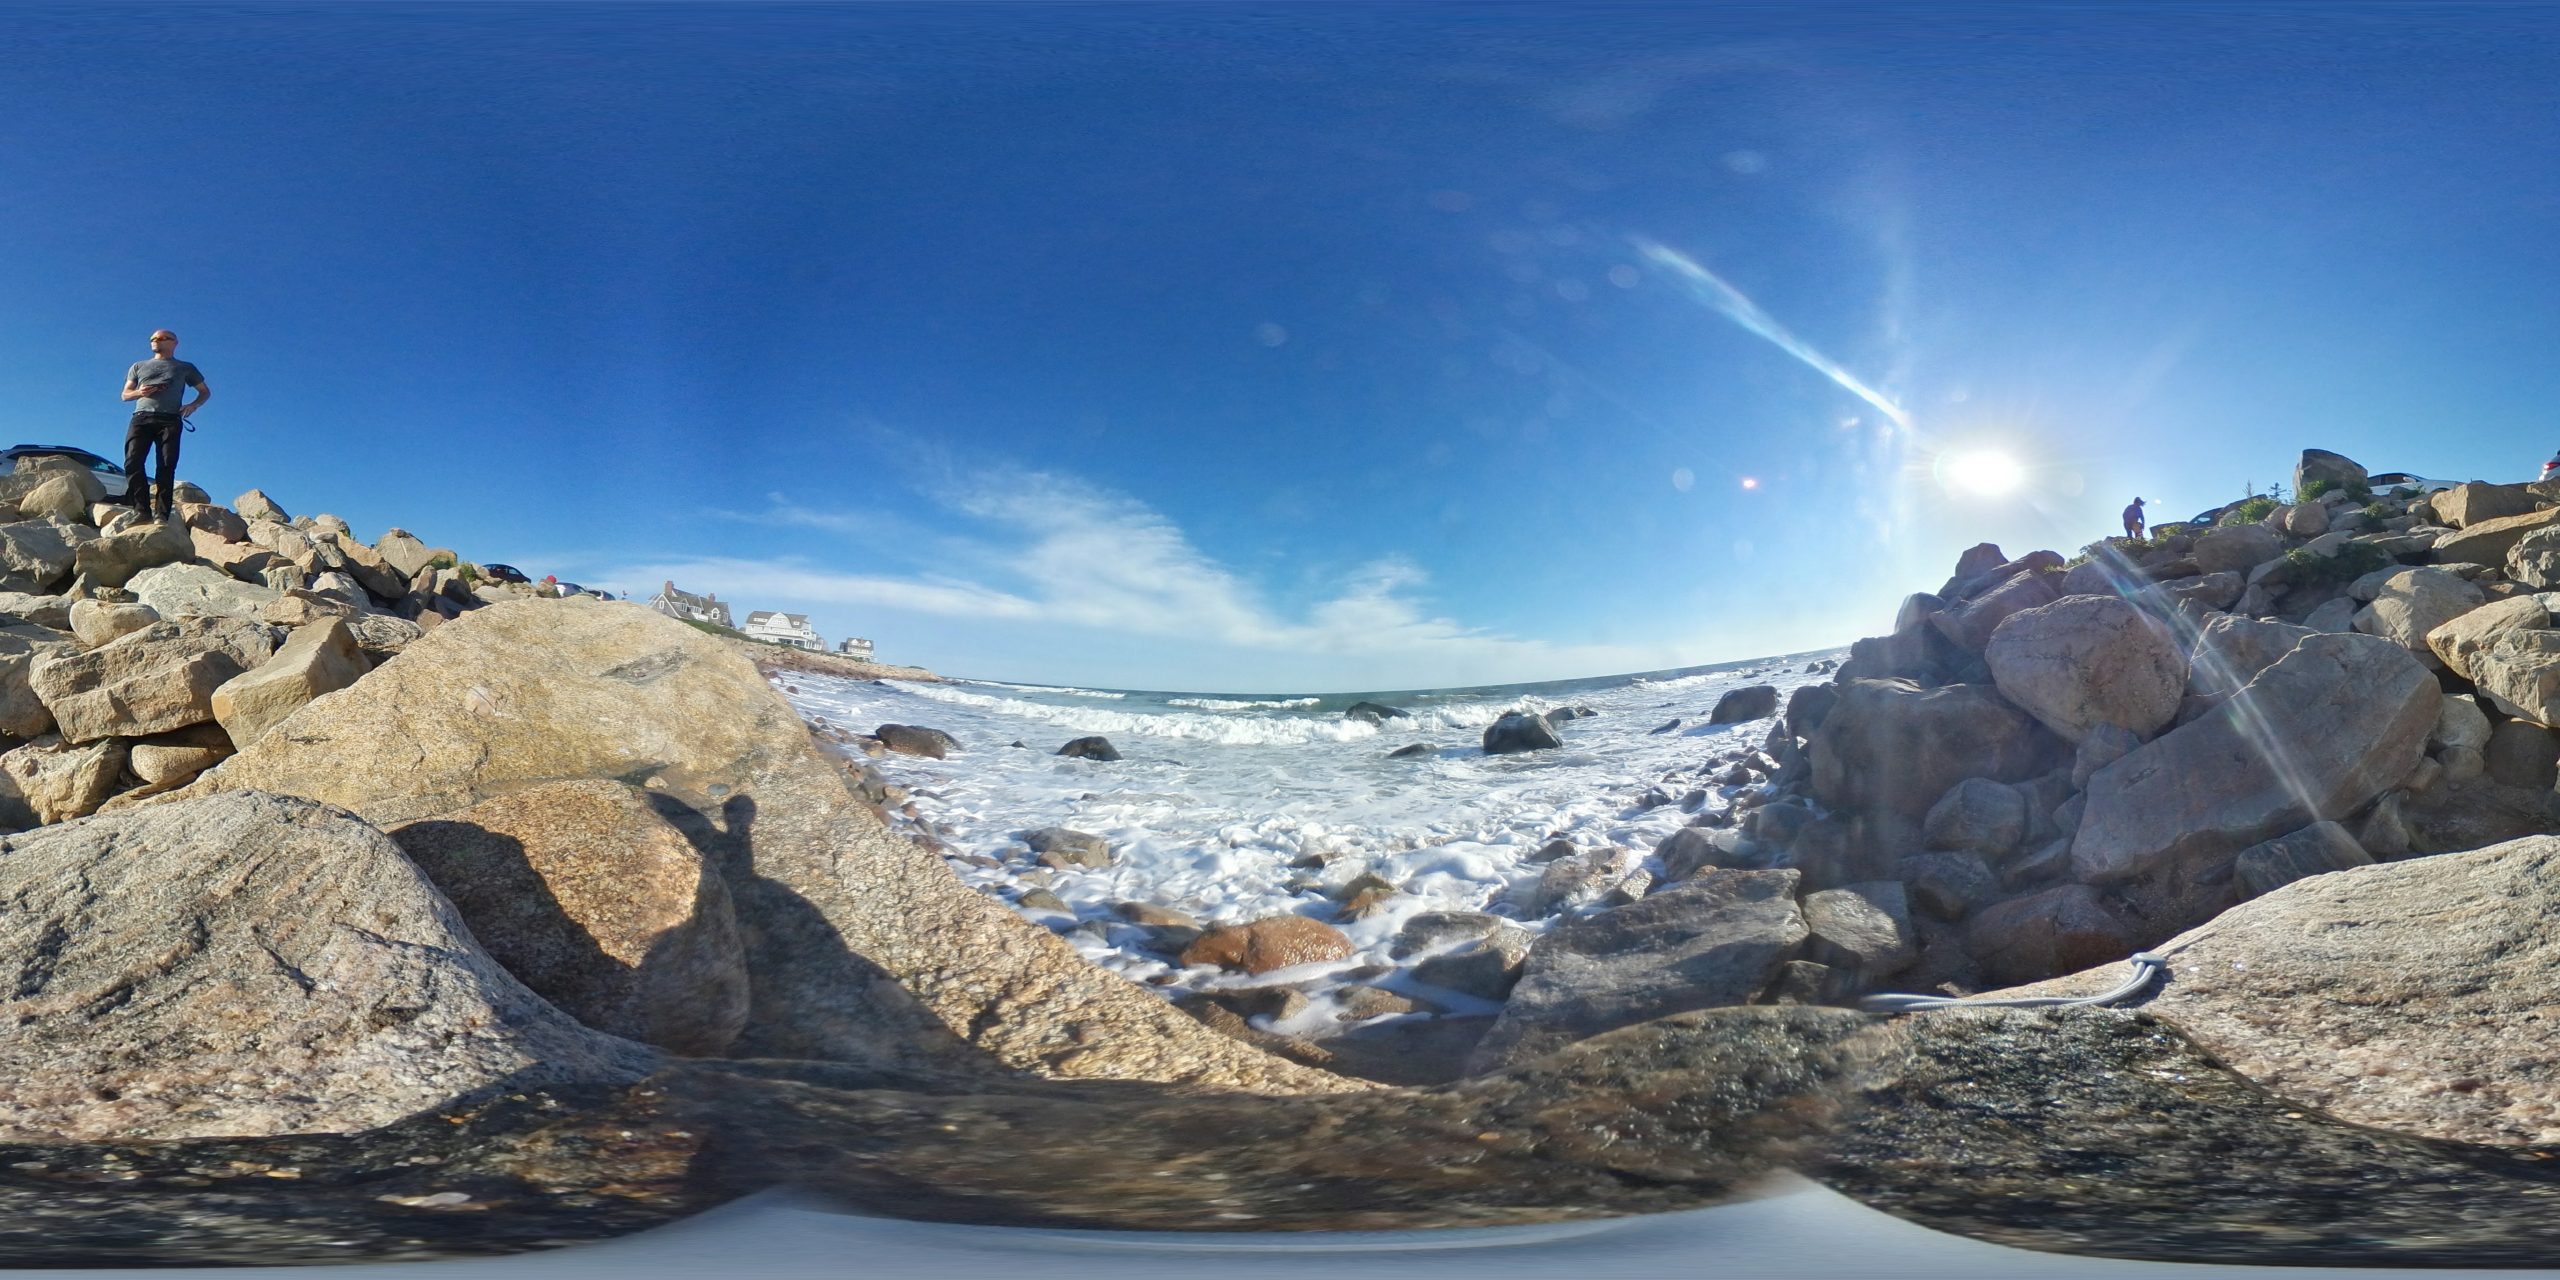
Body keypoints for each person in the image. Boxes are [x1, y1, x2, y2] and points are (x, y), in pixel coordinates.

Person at [118, 329, 210, 520]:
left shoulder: (185, 367)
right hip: (141, 417)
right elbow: (125, 395)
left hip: (170, 419)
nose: (155, 341)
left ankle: (162, 514)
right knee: (132, 462)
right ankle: (141, 511)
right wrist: (140, 392)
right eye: (152, 339)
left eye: (161, 338)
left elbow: (204, 391)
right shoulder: (138, 366)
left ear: (174, 342)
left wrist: (193, 406)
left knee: (166, 466)